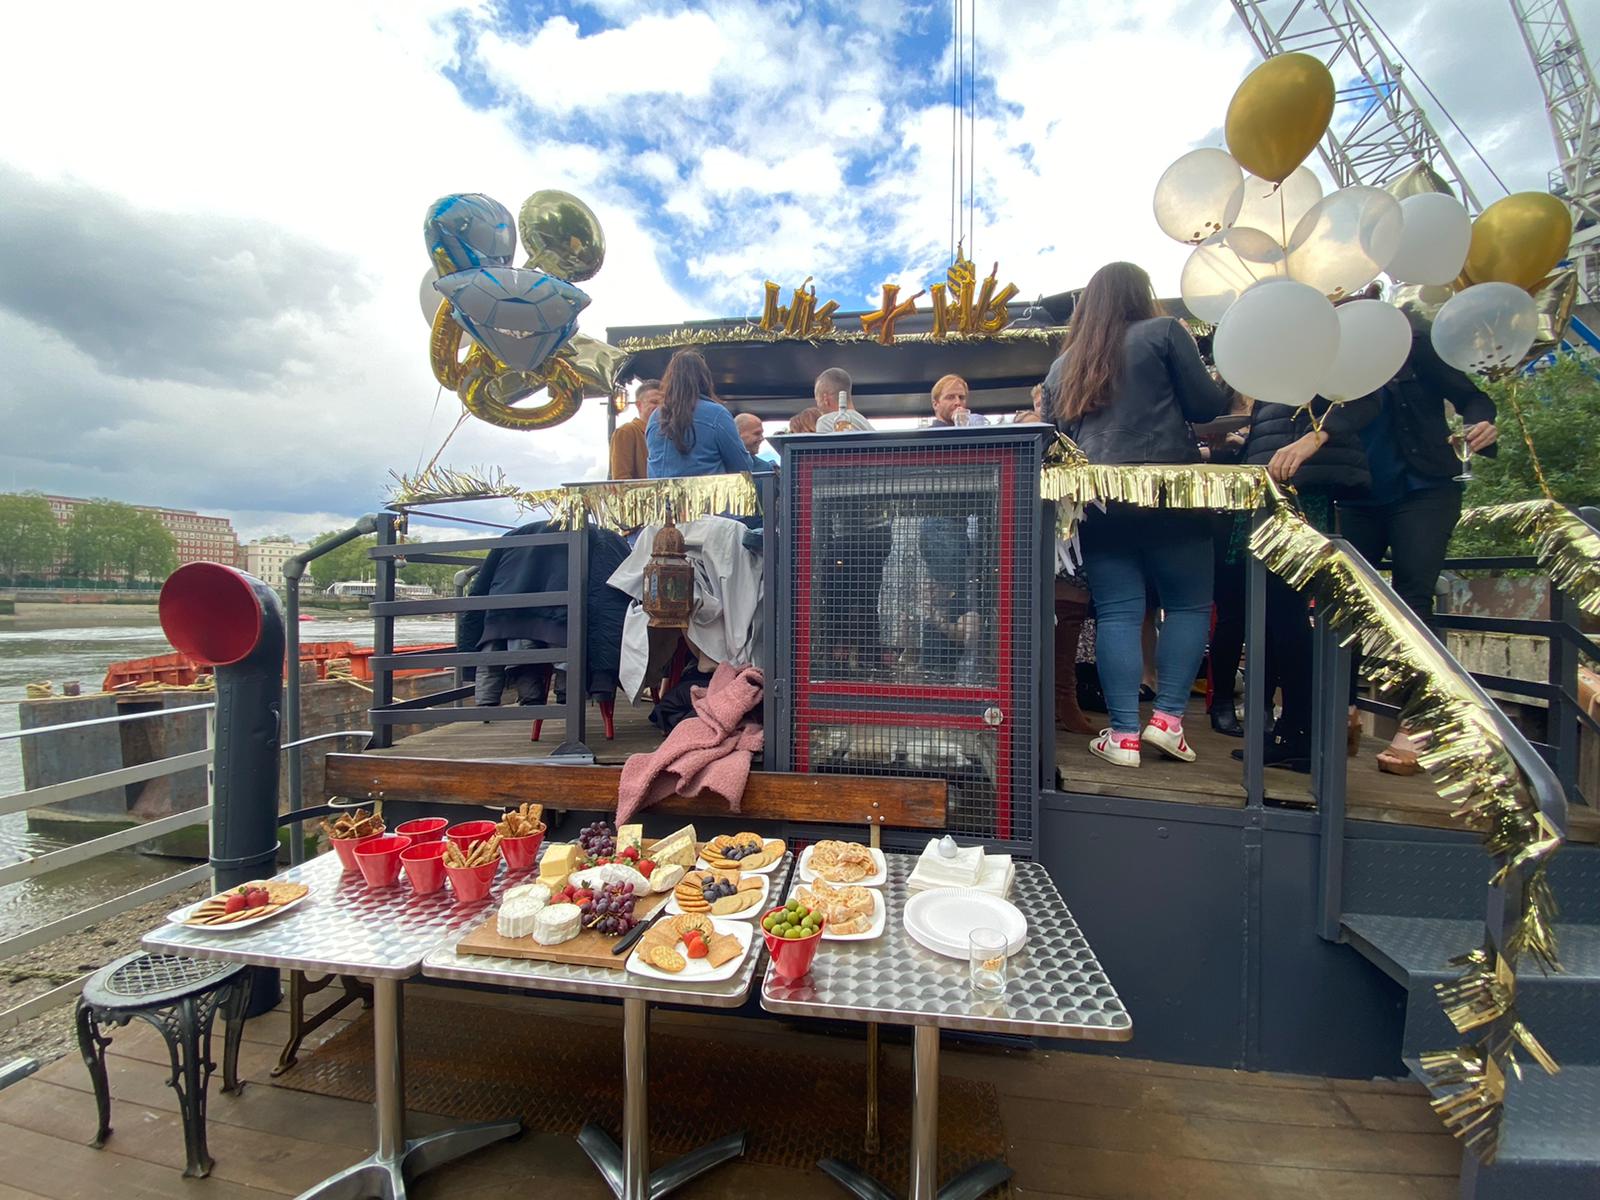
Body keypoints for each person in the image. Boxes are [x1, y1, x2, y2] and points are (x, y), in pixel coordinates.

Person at [1047, 261, 1230, 768]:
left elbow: (1053, 436)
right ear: (1140, 293)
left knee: (1119, 612)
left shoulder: (1066, 364)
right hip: (1171, 490)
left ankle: (1124, 734)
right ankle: (1169, 721)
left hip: (1102, 498)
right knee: (1188, 606)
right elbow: (1206, 405)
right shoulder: (1165, 332)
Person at [1336, 322, 1498, 774]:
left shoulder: (1415, 346)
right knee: (1345, 605)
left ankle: (1416, 725)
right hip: (1355, 491)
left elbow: (1473, 397)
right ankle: (1342, 710)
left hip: (1424, 487)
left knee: (1413, 599)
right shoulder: (1328, 348)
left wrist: (1479, 423)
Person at [1234, 390, 1380, 770]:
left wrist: (1315, 437)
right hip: (1269, 483)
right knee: (1276, 618)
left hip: (1306, 486)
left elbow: (1365, 398)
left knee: (1292, 617)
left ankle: (1304, 733)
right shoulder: (1272, 359)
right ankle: (1295, 730)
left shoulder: (1327, 349)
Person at [646, 349, 756, 478]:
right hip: (708, 496)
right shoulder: (717, 415)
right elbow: (743, 466)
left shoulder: (655, 417)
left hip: (663, 497)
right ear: (704, 378)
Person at [609, 379, 661, 480]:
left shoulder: (668, 434)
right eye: (654, 402)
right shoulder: (626, 432)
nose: (660, 407)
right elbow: (621, 479)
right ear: (639, 405)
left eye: (663, 403)